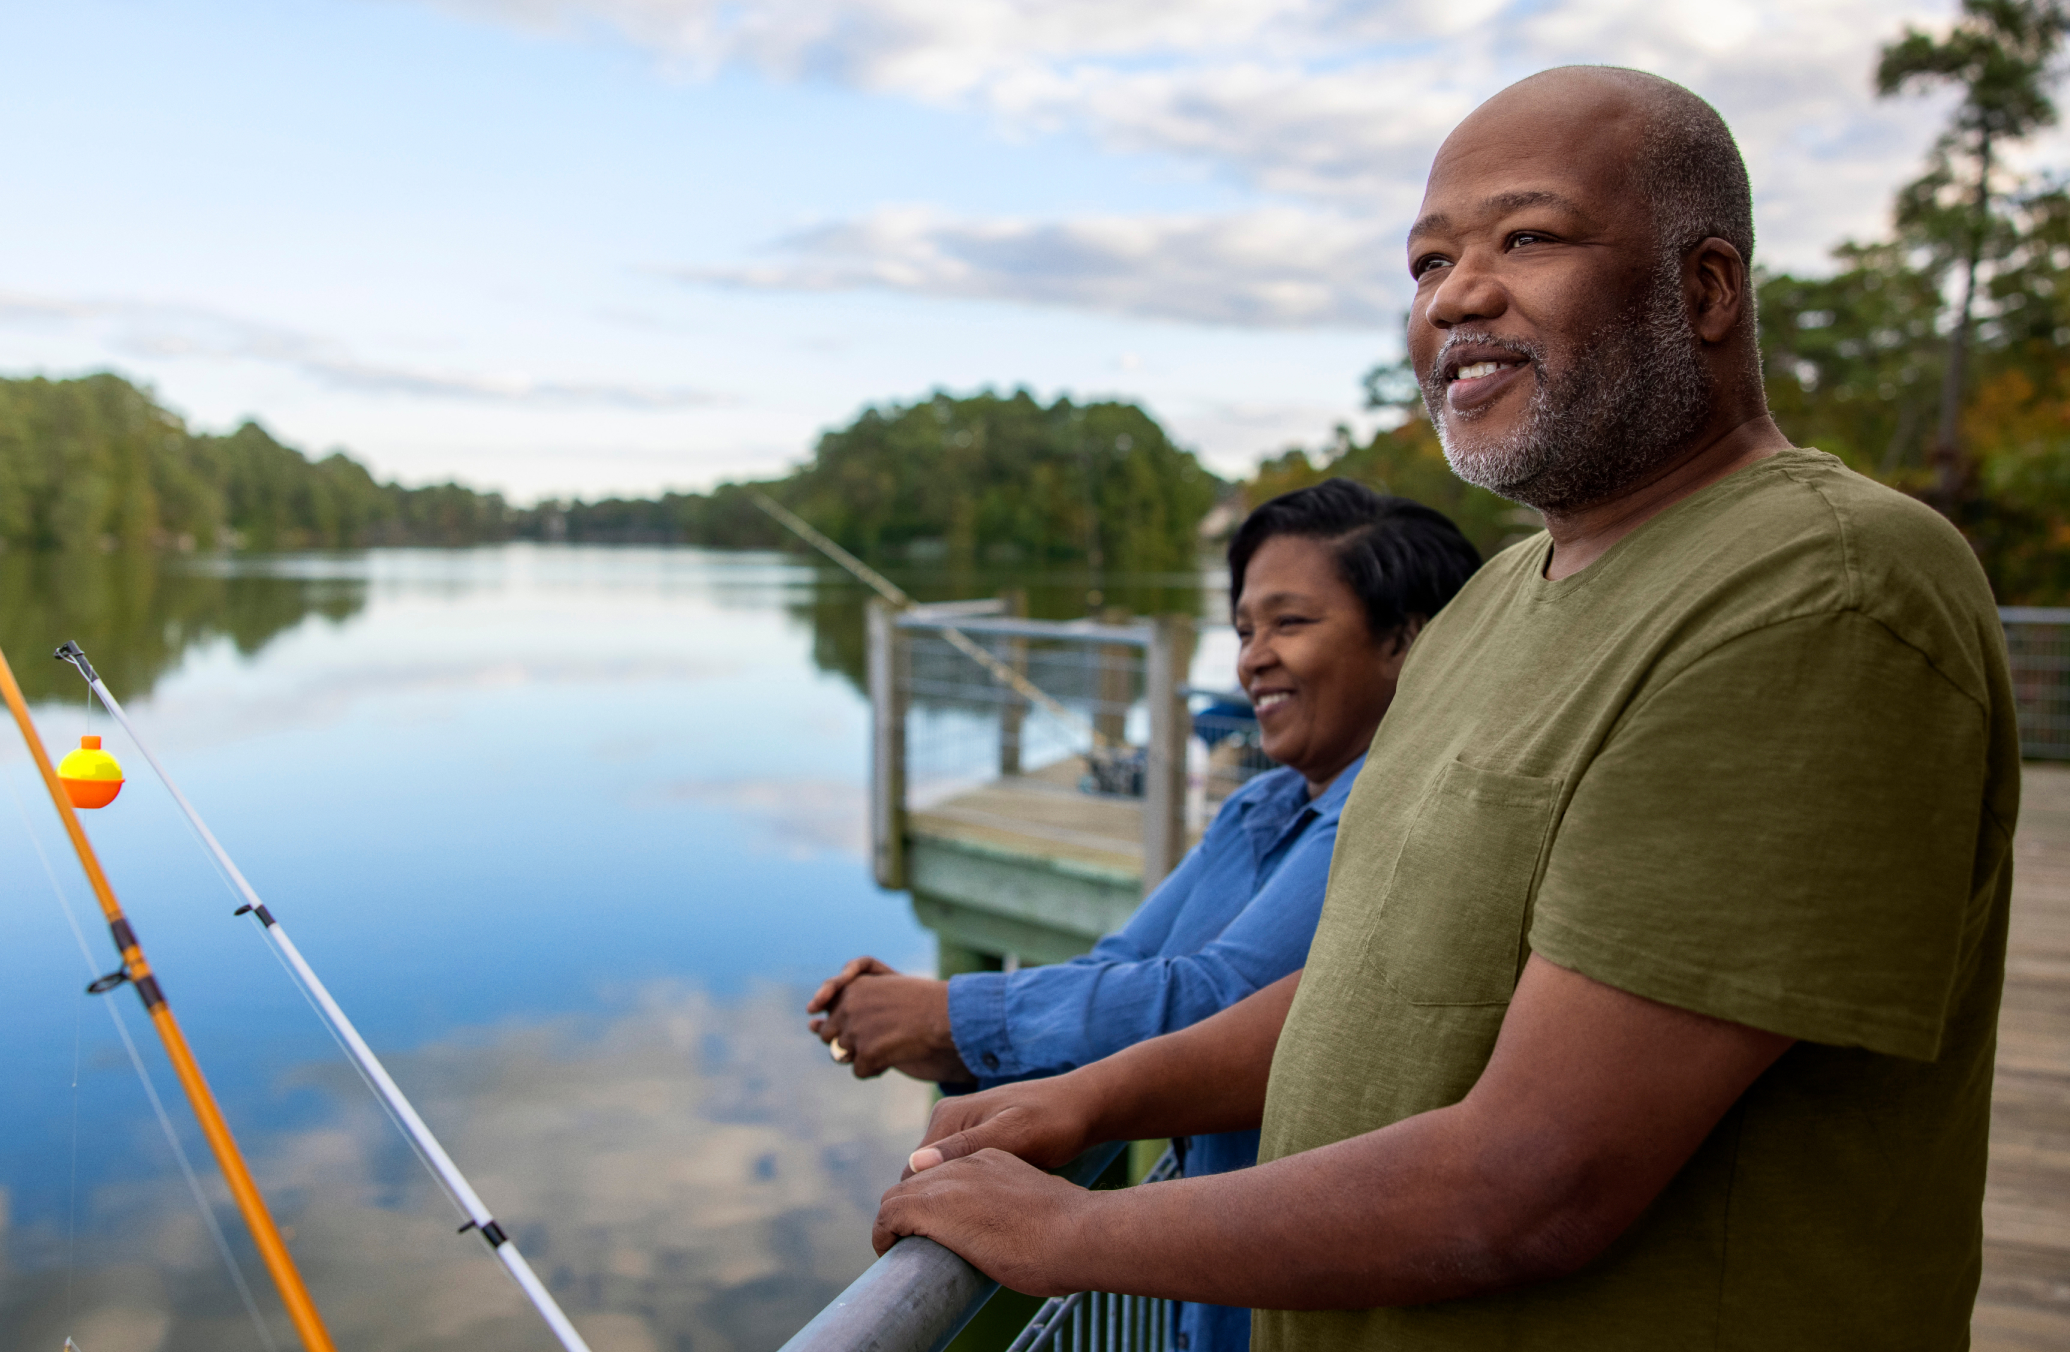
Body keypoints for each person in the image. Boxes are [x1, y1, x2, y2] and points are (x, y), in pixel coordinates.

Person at [868, 65, 2017, 1352]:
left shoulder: (1820, 590)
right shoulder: (1491, 602)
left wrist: (1071, 1231)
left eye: (1528, 238)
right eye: (1427, 262)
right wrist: (1090, 1097)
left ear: (1704, 289)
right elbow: (1372, 988)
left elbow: (1546, 1173)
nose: (1455, 296)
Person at [807, 478, 1481, 1352]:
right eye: (1244, 630)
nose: (1252, 660)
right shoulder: (1264, 802)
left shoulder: (1404, 813)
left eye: (1289, 623)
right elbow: (1122, 960)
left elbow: (1224, 997)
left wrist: (956, 1017)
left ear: (1406, 641)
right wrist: (939, 1025)